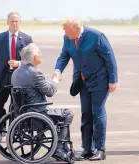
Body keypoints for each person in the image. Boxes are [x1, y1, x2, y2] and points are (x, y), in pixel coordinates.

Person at [52, 18, 118, 161]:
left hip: (100, 81)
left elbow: (110, 58)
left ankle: (100, 149)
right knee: (86, 114)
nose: (64, 33)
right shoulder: (68, 37)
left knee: (97, 113)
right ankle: (87, 149)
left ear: (77, 29)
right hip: (82, 82)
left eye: (66, 30)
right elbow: (64, 55)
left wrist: (113, 80)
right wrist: (58, 70)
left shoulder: (96, 36)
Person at [11, 43, 74, 160]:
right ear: (35, 57)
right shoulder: (35, 73)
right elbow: (50, 91)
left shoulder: (16, 73)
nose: (41, 55)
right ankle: (58, 148)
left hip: (23, 112)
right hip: (38, 113)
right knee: (67, 113)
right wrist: (55, 79)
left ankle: (58, 146)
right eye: (39, 53)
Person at [0, 12, 33, 125]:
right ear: (7, 22)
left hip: (19, 78)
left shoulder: (27, 39)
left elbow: (32, 59)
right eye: (12, 21)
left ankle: (14, 131)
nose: (14, 23)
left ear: (20, 22)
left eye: (16, 21)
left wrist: (19, 63)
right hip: (2, 78)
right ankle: (0, 128)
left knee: (16, 106)